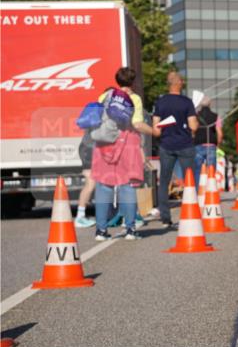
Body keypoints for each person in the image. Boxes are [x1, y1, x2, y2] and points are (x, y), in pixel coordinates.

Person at [91, 67, 155, 240]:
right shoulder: (134, 99)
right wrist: (154, 131)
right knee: (127, 186)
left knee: (104, 187)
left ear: (117, 81)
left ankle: (101, 230)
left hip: (104, 146)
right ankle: (130, 229)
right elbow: (138, 124)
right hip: (126, 146)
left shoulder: (105, 96)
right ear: (133, 82)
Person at [152, 72, 198, 228]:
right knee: (190, 180)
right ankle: (192, 213)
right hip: (185, 145)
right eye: (182, 80)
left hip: (166, 146)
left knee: (164, 181)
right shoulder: (187, 102)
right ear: (178, 83)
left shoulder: (160, 102)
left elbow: (156, 130)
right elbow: (193, 126)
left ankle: (165, 217)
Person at [193, 91, 224, 188]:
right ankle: (211, 190)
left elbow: (192, 130)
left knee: (197, 170)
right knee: (211, 170)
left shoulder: (195, 116)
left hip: (198, 145)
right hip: (211, 146)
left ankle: (199, 192)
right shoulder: (216, 116)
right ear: (210, 104)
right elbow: (219, 133)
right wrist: (218, 144)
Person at [74, 129, 97, 228]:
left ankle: (81, 216)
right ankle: (80, 217)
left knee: (92, 184)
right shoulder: (101, 113)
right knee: (90, 184)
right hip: (89, 149)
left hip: (89, 148)